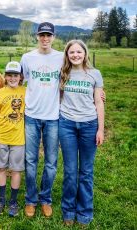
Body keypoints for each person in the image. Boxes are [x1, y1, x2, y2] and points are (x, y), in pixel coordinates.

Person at [59, 40, 104, 226]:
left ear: (85, 53)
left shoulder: (95, 74)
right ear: (67, 55)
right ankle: (68, 210)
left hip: (89, 125)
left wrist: (100, 129)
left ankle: (85, 212)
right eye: (72, 52)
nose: (75, 55)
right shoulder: (63, 73)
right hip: (67, 125)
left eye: (79, 51)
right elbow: (57, 96)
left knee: (86, 171)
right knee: (70, 171)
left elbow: (99, 102)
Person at [20, 22, 63, 218]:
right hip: (32, 116)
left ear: (53, 37)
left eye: (49, 35)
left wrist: (97, 90)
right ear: (37, 36)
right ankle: (31, 199)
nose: (45, 38)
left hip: (53, 117)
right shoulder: (27, 58)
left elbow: (74, 76)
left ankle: (45, 199)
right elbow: (19, 81)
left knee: (51, 162)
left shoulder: (61, 58)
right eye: (42, 35)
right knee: (30, 160)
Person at [0, 61, 26, 217]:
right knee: (1, 168)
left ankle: (13, 201)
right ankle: (1, 199)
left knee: (16, 170)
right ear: (5, 76)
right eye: (10, 75)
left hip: (18, 138)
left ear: (20, 77)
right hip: (2, 137)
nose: (12, 78)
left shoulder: (26, 91)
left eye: (15, 75)